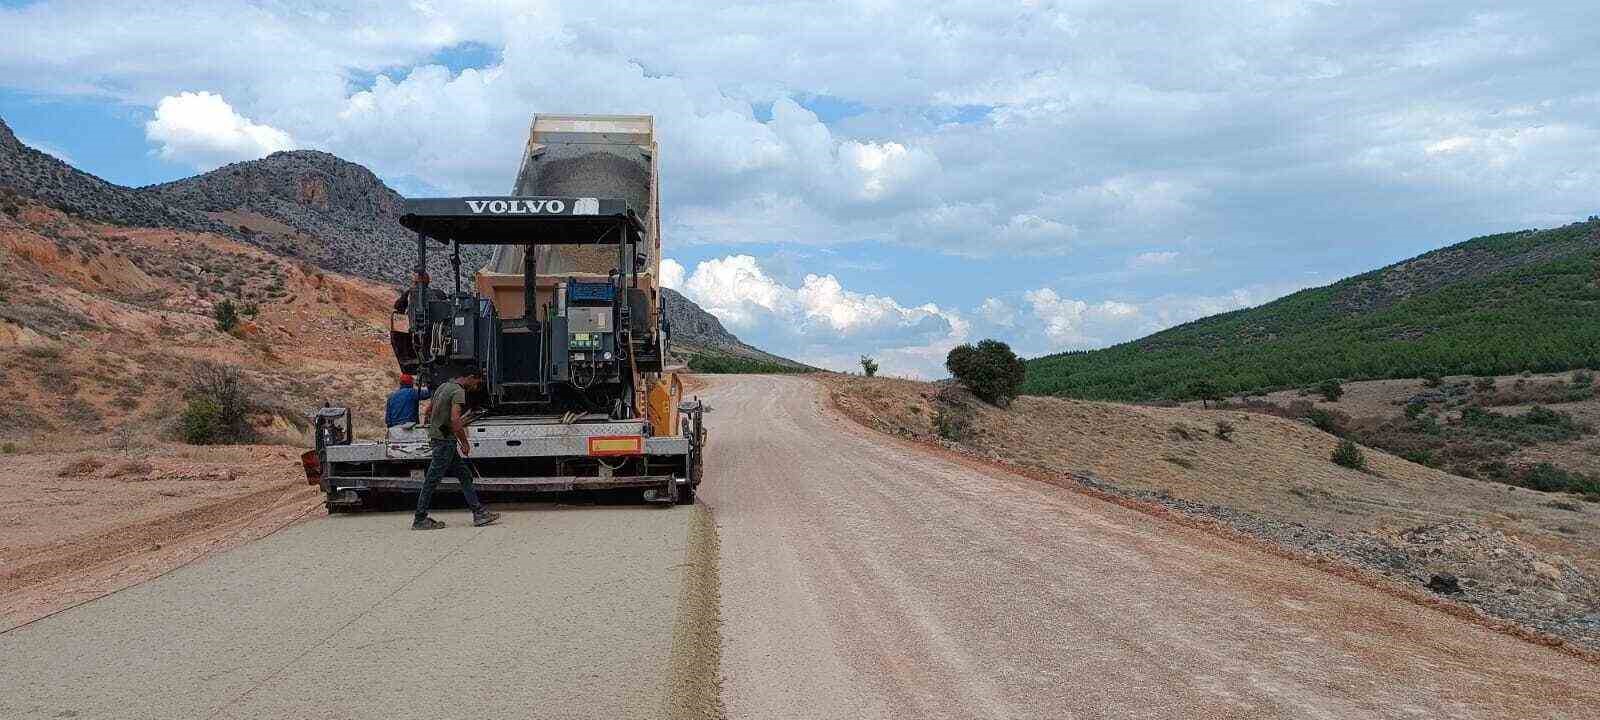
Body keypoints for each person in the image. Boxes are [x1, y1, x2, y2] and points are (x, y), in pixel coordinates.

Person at [413, 371, 500, 530]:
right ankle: (419, 518)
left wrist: (437, 429)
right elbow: (454, 419)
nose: (476, 387)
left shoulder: (443, 387)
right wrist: (465, 442)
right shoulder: (459, 392)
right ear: (471, 377)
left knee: (464, 475)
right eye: (477, 383)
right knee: (432, 480)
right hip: (445, 442)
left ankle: (479, 513)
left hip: (442, 439)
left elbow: (428, 411)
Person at [385, 374, 431, 440]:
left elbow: (388, 420)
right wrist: (429, 384)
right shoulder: (412, 393)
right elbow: (428, 393)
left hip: (395, 430)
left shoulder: (391, 397)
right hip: (410, 428)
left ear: (400, 383)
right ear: (411, 383)